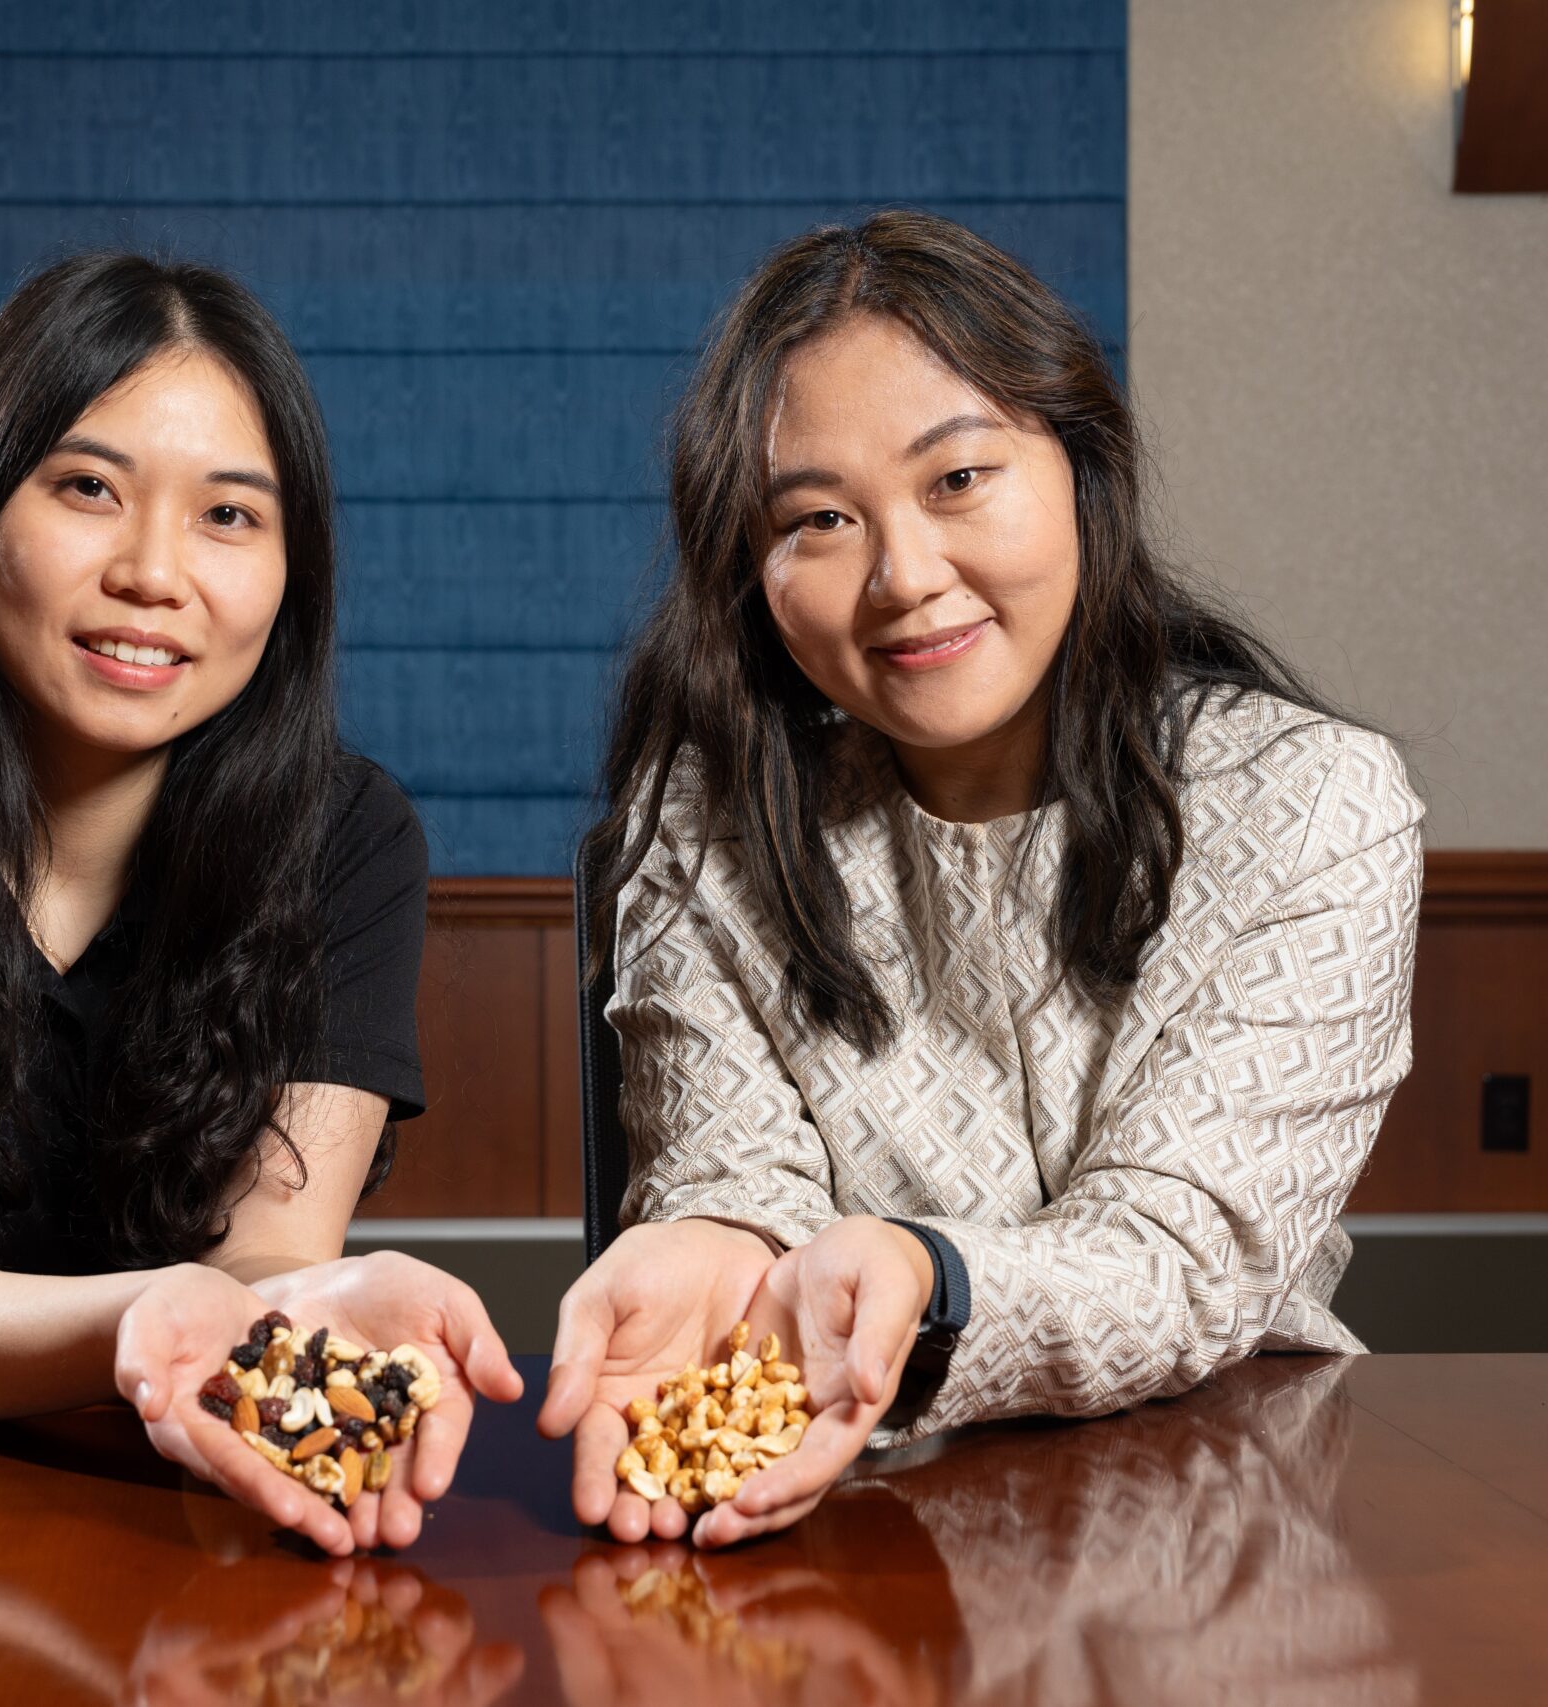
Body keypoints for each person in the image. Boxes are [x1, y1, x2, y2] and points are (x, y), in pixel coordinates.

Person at [538, 210, 1423, 1547]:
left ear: (1080, 465)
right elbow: (735, 1177)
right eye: (822, 519)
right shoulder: (709, 814)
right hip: (831, 1530)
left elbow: (1182, 1259)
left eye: (957, 481)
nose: (904, 577)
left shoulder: (1312, 804)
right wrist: (723, 1242)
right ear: (751, 570)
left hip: (1227, 1528)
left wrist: (924, 1278)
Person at [0, 252, 521, 1557]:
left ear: (293, 571)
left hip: (168, 1499)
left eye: (229, 516)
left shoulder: (343, 840)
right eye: (87, 489)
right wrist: (156, 1317)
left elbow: (273, 1252)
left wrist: (313, 1301)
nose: (153, 572)